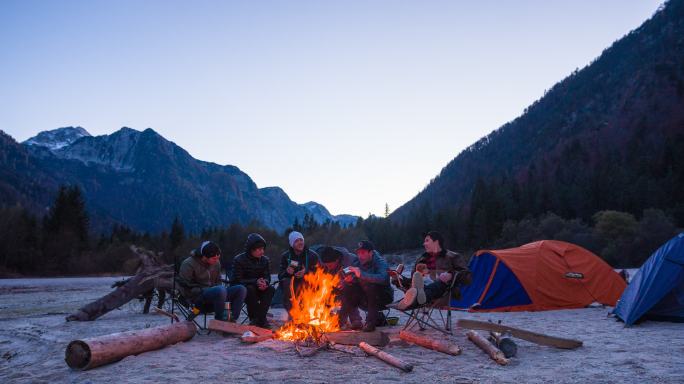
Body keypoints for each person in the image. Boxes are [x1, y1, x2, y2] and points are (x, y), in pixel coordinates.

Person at [389, 231, 469, 310]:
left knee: (437, 284)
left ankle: (410, 300)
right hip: (419, 289)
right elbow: (413, 280)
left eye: (427, 241)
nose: (424, 244)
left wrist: (451, 274)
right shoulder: (422, 259)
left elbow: (467, 276)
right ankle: (411, 298)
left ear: (436, 242)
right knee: (414, 281)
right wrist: (399, 280)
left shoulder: (452, 256)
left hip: (443, 292)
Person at [177, 241, 246, 321]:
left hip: (217, 295)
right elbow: (184, 288)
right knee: (220, 290)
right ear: (205, 256)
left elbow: (218, 281)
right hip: (198, 299)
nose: (216, 260)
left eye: (218, 258)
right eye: (214, 258)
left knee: (241, 289)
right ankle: (220, 321)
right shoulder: (189, 264)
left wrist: (217, 291)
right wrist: (202, 290)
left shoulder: (216, 263)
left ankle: (231, 320)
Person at [338, 240, 393, 332]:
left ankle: (370, 323)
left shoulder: (380, 262)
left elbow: (384, 278)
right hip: (366, 298)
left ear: (371, 252)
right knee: (348, 288)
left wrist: (361, 275)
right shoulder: (358, 262)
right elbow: (352, 278)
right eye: (358, 253)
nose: (360, 256)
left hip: (383, 297)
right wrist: (348, 280)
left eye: (363, 253)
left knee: (371, 286)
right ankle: (339, 322)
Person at [232, 233, 275, 328]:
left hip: (260, 288)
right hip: (244, 289)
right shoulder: (239, 260)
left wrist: (265, 283)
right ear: (251, 249)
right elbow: (236, 280)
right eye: (259, 249)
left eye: (263, 249)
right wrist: (255, 281)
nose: (262, 252)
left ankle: (259, 319)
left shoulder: (265, 260)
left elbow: (267, 276)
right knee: (250, 289)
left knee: (271, 289)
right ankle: (256, 319)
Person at [318, 245, 360, 327]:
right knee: (327, 294)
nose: (328, 268)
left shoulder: (350, 260)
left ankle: (356, 320)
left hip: (355, 287)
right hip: (336, 286)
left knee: (348, 291)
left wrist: (344, 282)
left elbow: (358, 276)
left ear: (336, 260)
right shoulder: (326, 263)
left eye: (330, 265)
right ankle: (335, 320)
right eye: (326, 265)